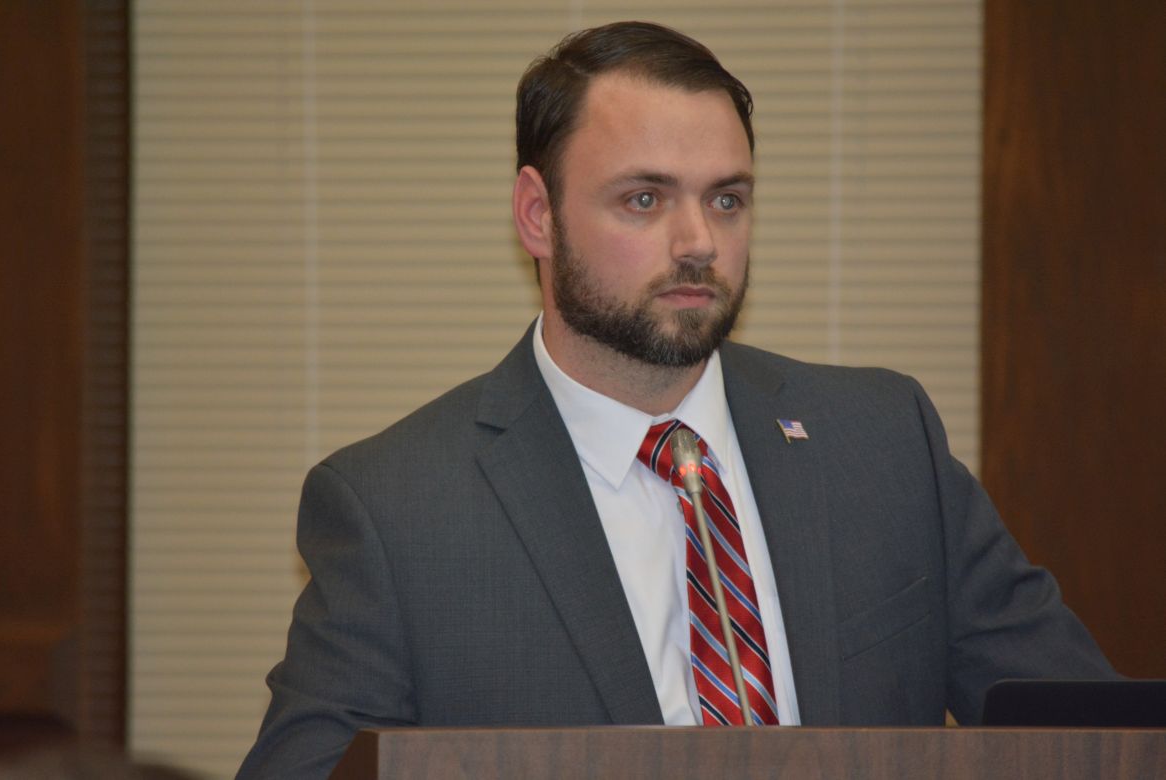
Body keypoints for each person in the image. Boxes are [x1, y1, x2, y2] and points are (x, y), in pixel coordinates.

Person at [237, 21, 1115, 777]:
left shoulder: (884, 442)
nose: (698, 242)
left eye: (726, 199)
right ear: (537, 215)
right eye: (645, 198)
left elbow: (1098, 739)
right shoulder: (395, 511)